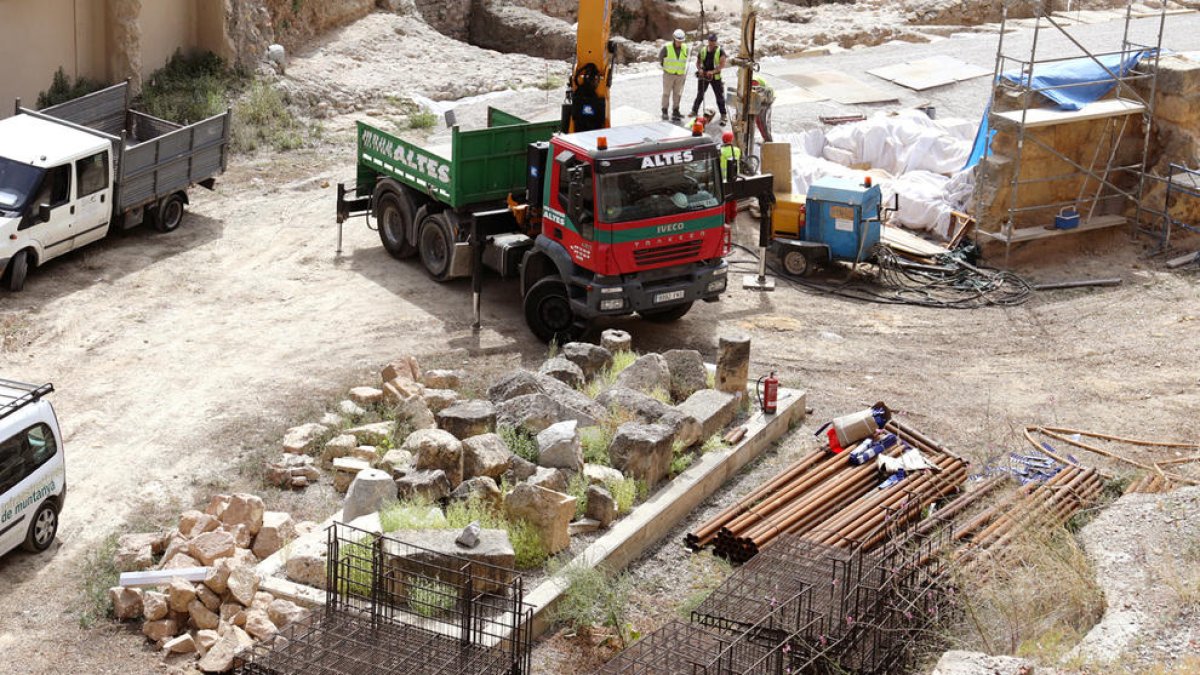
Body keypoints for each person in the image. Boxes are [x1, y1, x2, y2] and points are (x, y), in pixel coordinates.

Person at [689, 33, 728, 127]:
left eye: (714, 41)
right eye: (710, 41)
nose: (712, 43)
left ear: (716, 41)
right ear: (708, 41)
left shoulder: (720, 51)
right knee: (700, 94)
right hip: (704, 76)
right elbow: (698, 62)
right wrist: (700, 70)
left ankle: (723, 115)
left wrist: (713, 72)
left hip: (715, 77)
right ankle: (694, 111)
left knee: (719, 97)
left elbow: (722, 65)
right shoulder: (703, 50)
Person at [659, 29, 689, 121]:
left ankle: (676, 111)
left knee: (677, 94)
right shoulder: (666, 47)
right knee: (666, 93)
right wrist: (666, 68)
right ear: (674, 39)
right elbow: (661, 58)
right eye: (678, 41)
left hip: (680, 75)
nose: (680, 43)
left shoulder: (685, 48)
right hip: (669, 74)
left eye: (681, 41)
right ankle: (664, 111)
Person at [751, 74, 776, 143]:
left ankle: (768, 140)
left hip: (766, 100)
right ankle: (767, 138)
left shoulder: (753, 81)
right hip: (764, 98)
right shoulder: (751, 78)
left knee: (761, 121)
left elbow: (754, 94)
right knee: (761, 121)